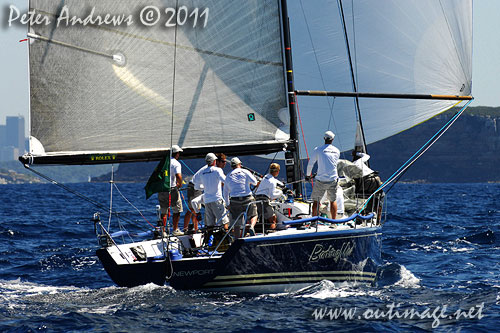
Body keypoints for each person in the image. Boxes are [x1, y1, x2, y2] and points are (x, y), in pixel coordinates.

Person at [306, 131, 341, 218]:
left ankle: (314, 222)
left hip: (320, 180)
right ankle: (333, 223)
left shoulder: (318, 149)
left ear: (324, 139)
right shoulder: (337, 151)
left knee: (316, 201)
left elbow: (311, 163)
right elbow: (331, 164)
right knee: (332, 201)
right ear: (332, 139)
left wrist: (308, 175)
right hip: (333, 179)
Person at [193, 153, 229, 236]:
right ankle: (227, 241)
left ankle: (209, 244)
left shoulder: (202, 172)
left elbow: (197, 186)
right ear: (214, 161)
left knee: (210, 225)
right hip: (216, 200)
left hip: (207, 201)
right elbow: (225, 181)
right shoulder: (217, 170)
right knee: (224, 222)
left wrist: (205, 187)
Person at [223, 157, 258, 238]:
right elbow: (255, 182)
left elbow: (225, 192)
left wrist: (228, 204)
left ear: (232, 166)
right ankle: (252, 226)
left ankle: (237, 240)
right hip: (247, 198)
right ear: (239, 164)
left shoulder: (228, 176)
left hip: (234, 201)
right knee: (253, 214)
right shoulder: (245, 172)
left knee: (236, 223)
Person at [158, 145, 184, 236]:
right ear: (176, 153)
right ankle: (175, 229)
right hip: (172, 189)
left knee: (164, 211)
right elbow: (179, 176)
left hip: (162, 189)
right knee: (177, 210)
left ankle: (163, 231)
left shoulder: (164, 162)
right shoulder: (176, 163)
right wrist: (179, 184)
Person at [254, 163, 283, 232]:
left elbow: (268, 189)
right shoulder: (272, 181)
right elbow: (272, 196)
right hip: (263, 200)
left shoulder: (266, 177)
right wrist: (280, 193)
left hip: (256, 199)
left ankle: (248, 231)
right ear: (277, 171)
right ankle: (272, 234)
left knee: (254, 217)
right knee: (273, 218)